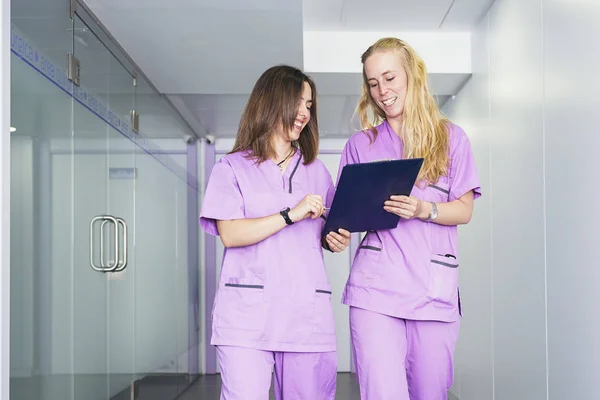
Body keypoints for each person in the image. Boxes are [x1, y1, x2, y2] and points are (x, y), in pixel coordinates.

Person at [338, 38, 481, 399]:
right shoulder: (361, 145)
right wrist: (334, 232)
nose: (381, 91)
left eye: (389, 78)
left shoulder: (452, 139)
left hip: (433, 289)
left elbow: (463, 210)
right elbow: (343, 213)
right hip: (376, 290)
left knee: (429, 392)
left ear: (412, 76)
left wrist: (424, 209)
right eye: (373, 83)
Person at [199, 65, 351, 400]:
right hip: (248, 317)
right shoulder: (232, 168)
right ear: (271, 102)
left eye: (309, 106)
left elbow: (325, 231)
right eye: (298, 103)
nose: (304, 114)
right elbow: (231, 234)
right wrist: (289, 214)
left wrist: (335, 239)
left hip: (305, 315)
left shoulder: (317, 172)